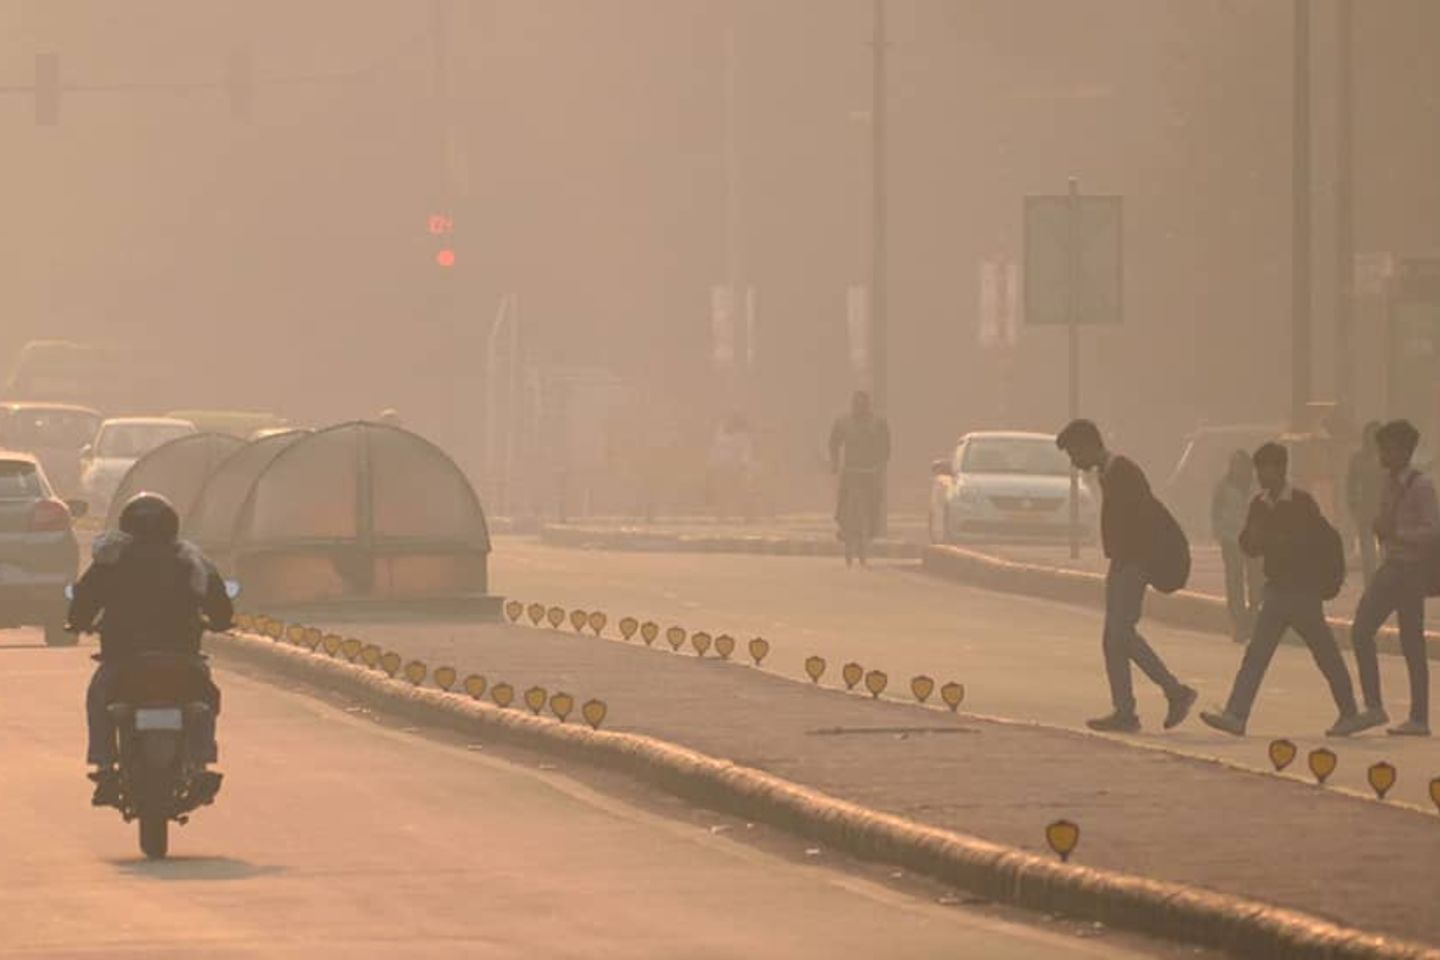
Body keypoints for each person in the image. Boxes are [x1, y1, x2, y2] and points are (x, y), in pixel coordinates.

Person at [68, 493, 234, 806]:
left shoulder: (111, 559)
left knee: (99, 697)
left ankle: (104, 767)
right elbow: (219, 603)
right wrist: (221, 622)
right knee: (204, 700)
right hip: (181, 654)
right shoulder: (190, 559)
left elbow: (84, 599)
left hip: (124, 655)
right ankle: (201, 763)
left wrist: (77, 622)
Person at [1199, 443, 1365, 737]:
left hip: (1302, 591)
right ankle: (1237, 714)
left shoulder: (1300, 502)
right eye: (1259, 468)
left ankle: (1350, 712)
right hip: (1275, 590)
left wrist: (1327, 581)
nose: (1262, 475)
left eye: (1268, 468)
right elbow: (1249, 546)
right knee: (1257, 654)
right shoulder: (1259, 505)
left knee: (1324, 653)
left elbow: (1323, 540)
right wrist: (1253, 538)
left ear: (1281, 469)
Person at [1055, 419, 1197, 732]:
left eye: (1074, 453)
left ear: (1088, 445)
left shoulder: (1122, 472)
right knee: (1111, 639)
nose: (1074, 463)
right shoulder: (1109, 474)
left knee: (1120, 633)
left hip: (1134, 562)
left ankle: (1175, 691)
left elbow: (1140, 522)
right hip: (1123, 562)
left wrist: (1130, 564)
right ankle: (1125, 711)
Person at [1349, 419, 1439, 737]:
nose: (1381, 454)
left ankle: (1418, 718)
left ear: (1403, 450)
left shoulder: (1422, 486)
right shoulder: (1388, 482)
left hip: (1409, 570)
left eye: (1386, 448)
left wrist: (1396, 533)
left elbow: (1432, 531)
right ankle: (1376, 706)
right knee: (1362, 631)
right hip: (1392, 566)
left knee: (1410, 643)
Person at [828, 391, 890, 567]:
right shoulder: (844, 422)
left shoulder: (878, 423)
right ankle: (843, 527)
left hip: (870, 472)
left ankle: (871, 530)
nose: (859, 409)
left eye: (862, 406)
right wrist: (834, 463)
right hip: (850, 472)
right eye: (857, 405)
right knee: (843, 501)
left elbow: (886, 447)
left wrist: (881, 465)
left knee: (874, 503)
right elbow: (833, 443)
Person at [1212, 449, 1263, 643]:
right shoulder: (1223, 487)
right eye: (1235, 465)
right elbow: (1215, 511)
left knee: (1256, 582)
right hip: (1231, 539)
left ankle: (1253, 619)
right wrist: (1219, 532)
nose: (1238, 469)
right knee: (1234, 582)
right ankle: (1239, 623)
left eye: (1241, 465)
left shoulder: (1258, 487)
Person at [1346, 421, 1385, 587]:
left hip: (1385, 509)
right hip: (1366, 508)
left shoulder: (1387, 457)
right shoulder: (1358, 458)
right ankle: (1370, 584)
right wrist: (1353, 503)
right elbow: (1351, 483)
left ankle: (1385, 582)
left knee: (1385, 550)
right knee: (1367, 552)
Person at [707, 413, 755, 522]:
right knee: (723, 492)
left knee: (742, 492)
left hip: (737, 468)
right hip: (723, 468)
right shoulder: (720, 434)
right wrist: (712, 463)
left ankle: (747, 516)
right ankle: (721, 516)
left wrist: (744, 465)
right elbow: (715, 451)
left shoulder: (742, 437)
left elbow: (746, 453)